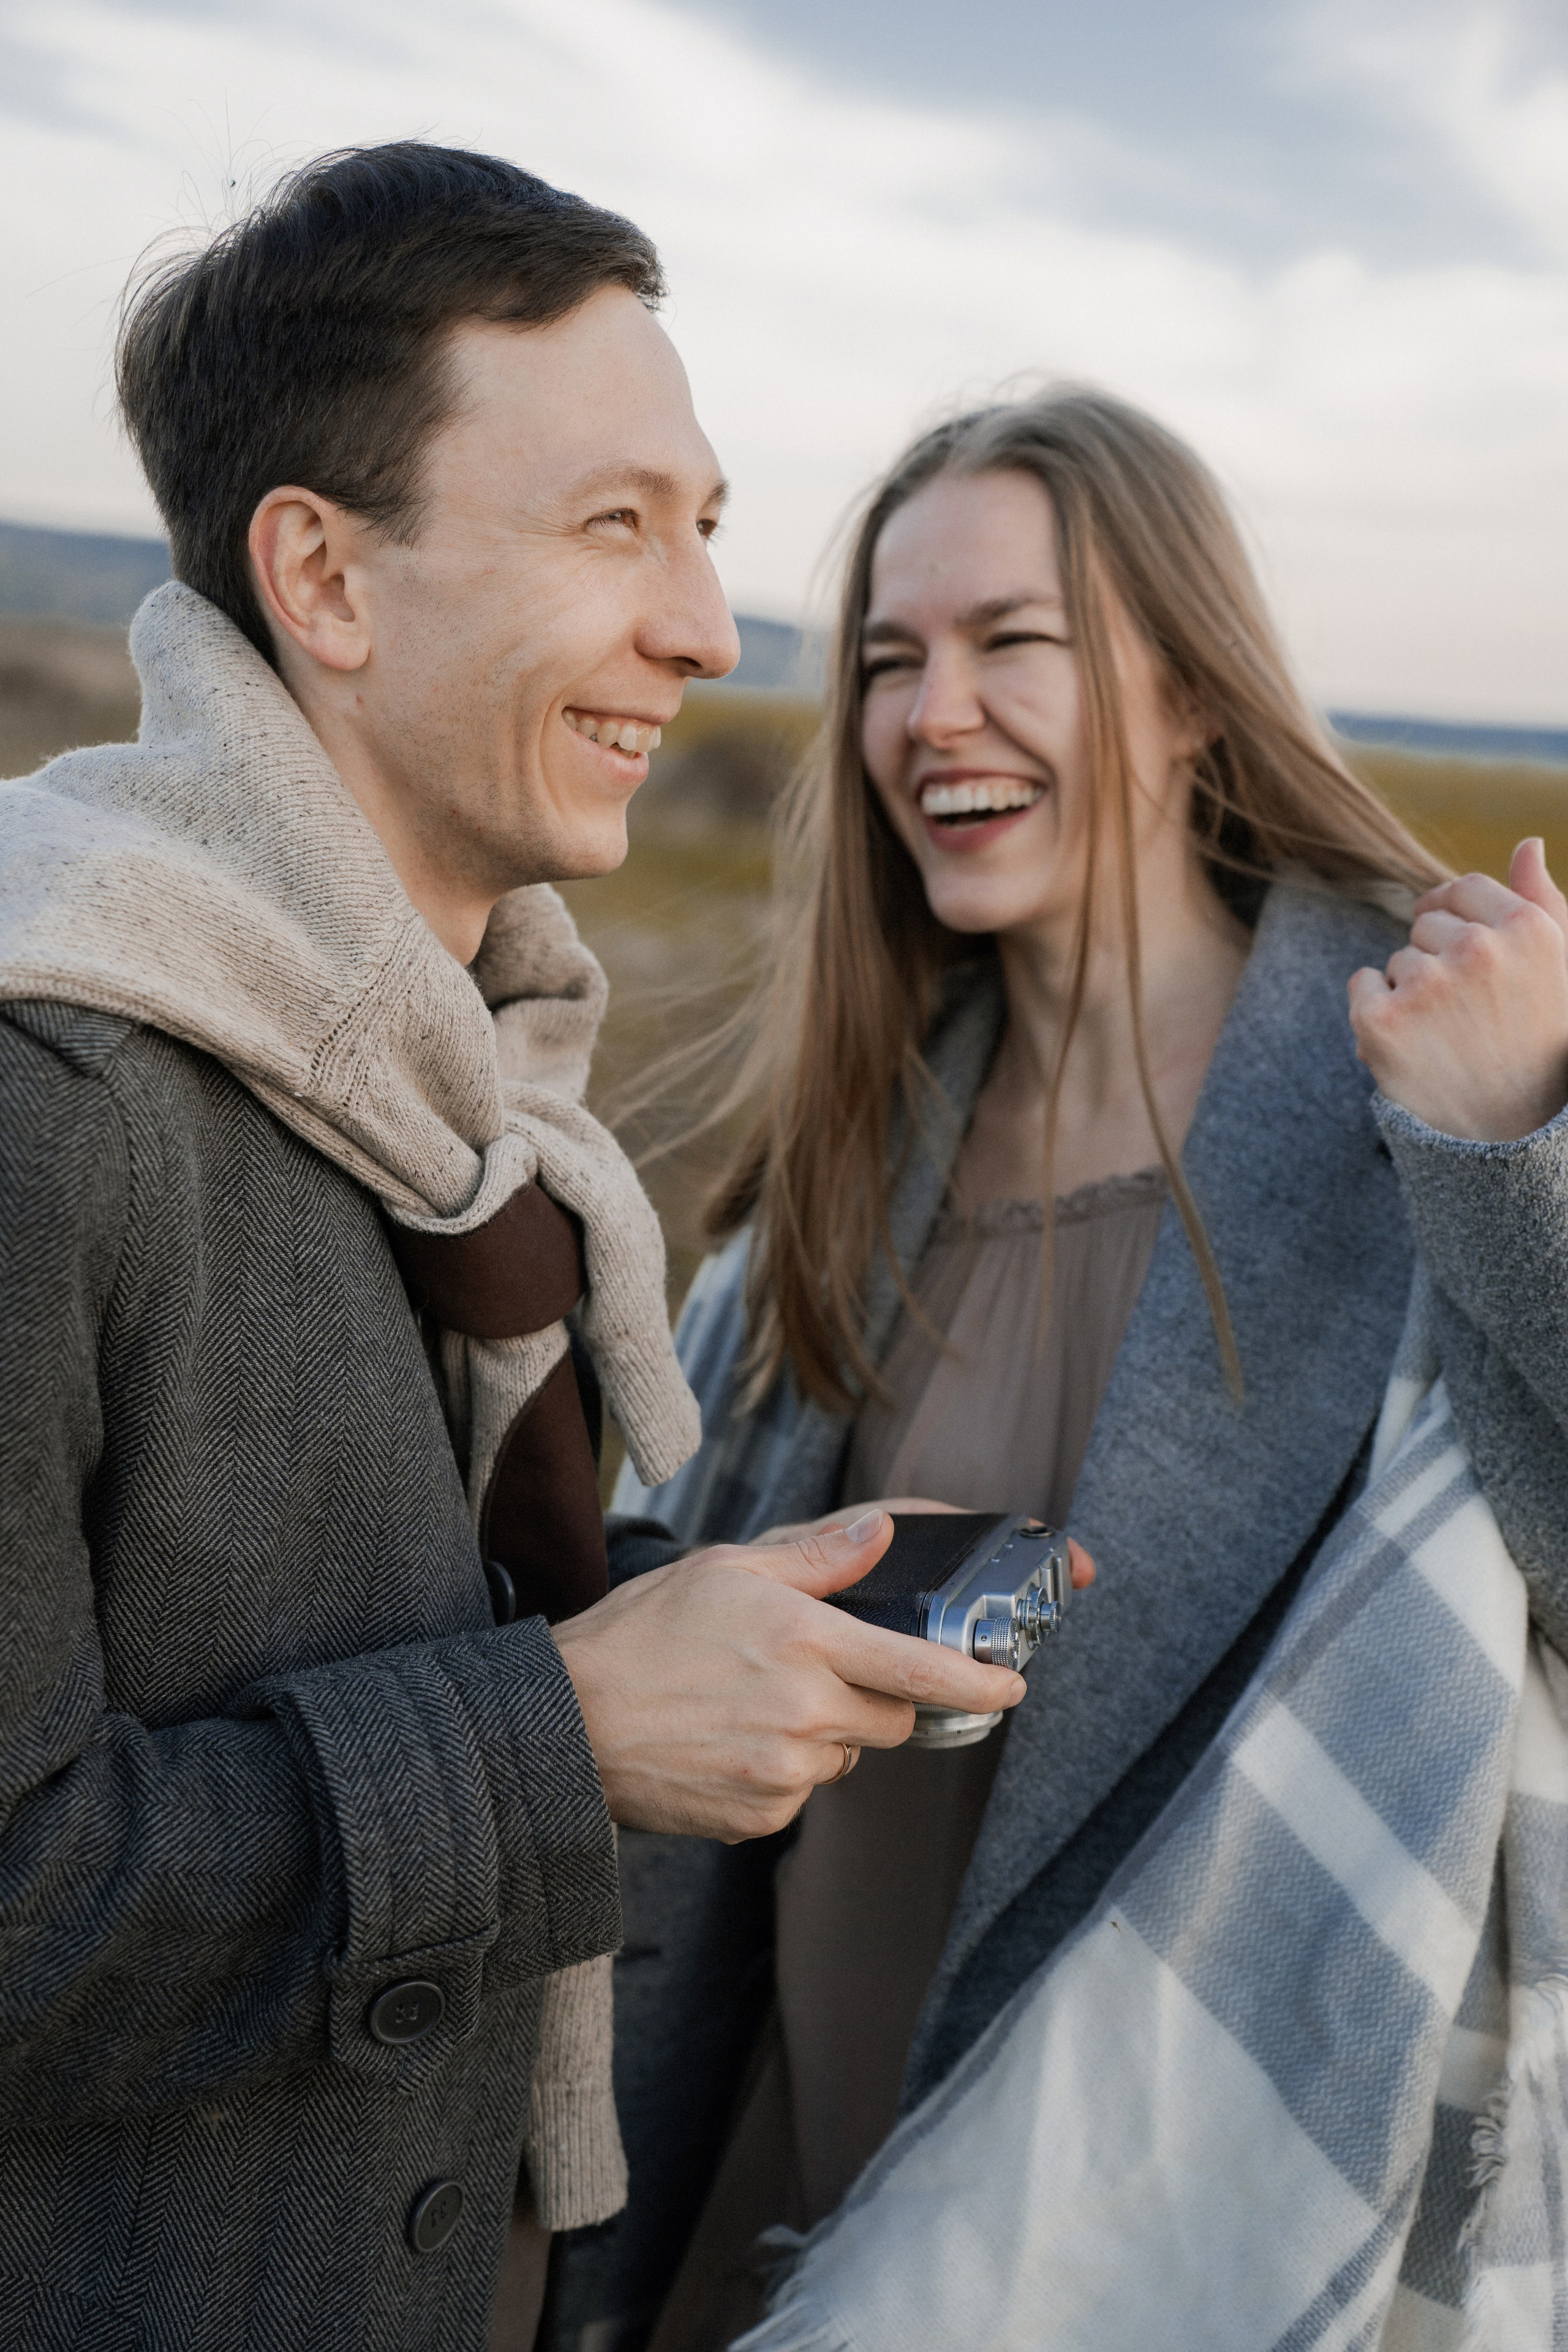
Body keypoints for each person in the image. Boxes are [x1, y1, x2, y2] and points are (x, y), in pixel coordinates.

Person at [0, 144, 1025, 2352]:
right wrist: (568, 1733)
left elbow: (340, 1605)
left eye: (706, 527)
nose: (709, 630)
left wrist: (701, 1621)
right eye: (612, 527)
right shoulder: (47, 1103)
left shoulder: (458, 1095)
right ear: (326, 579)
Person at [600, 389, 1568, 2348]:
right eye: (889, 659)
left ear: (1192, 689)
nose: (932, 713)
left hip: (1189, 2222)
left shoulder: (1442, 1091)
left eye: (1010, 640)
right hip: (812, 2186)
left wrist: (1509, 1163)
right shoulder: (847, 1152)